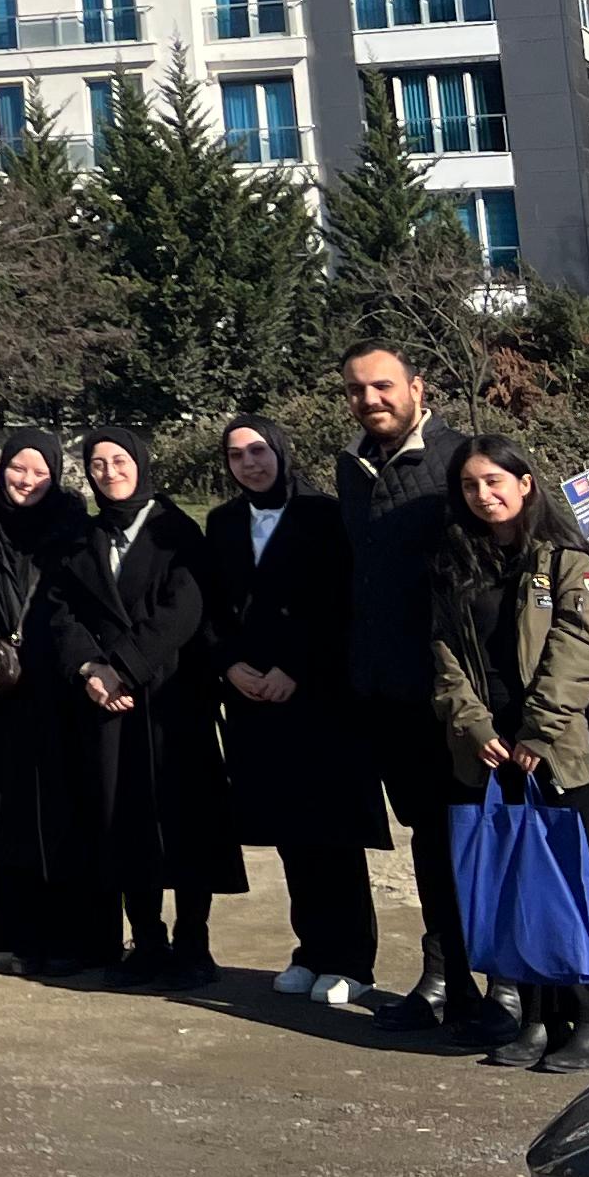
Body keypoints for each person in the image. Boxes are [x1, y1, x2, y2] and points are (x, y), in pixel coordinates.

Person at [431, 433, 589, 1074]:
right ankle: (539, 1021)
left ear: (524, 484)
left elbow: (581, 650)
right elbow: (444, 656)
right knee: (518, 886)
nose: (483, 495)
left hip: (556, 751)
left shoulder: (566, 561)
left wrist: (536, 734)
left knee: (571, 883)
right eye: (470, 485)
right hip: (490, 753)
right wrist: (474, 726)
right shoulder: (457, 563)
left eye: (494, 481)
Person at [41, 428, 242, 989]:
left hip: (172, 700)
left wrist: (122, 667)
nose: (109, 472)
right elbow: (62, 612)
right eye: (97, 463)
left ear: (141, 463)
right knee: (122, 819)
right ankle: (147, 940)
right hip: (108, 705)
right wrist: (89, 669)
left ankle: (193, 943)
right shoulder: (83, 539)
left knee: (186, 822)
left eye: (119, 460)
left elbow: (183, 610)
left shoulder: (177, 532)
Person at [201, 415, 388, 1007]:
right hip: (254, 701)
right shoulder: (223, 522)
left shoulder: (324, 515)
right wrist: (230, 665)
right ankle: (311, 949)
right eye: (237, 455)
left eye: (259, 451)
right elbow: (213, 608)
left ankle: (351, 960)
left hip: (320, 700)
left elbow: (343, 605)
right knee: (288, 833)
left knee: (332, 832)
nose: (250, 463)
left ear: (281, 451)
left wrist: (298, 669)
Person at [337, 341, 487, 1034]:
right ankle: (445, 976)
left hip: (458, 695)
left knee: (478, 839)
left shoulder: (459, 461)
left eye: (383, 386)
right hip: (388, 694)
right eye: (357, 390)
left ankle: (504, 982)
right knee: (429, 841)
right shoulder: (353, 469)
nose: (371, 399)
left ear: (417, 388)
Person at [0, 432, 112, 979]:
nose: (26, 481)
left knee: (67, 813)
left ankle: (76, 938)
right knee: (7, 816)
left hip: (61, 689)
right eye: (17, 469)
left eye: (39, 471)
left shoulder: (75, 528)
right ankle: (22, 938)